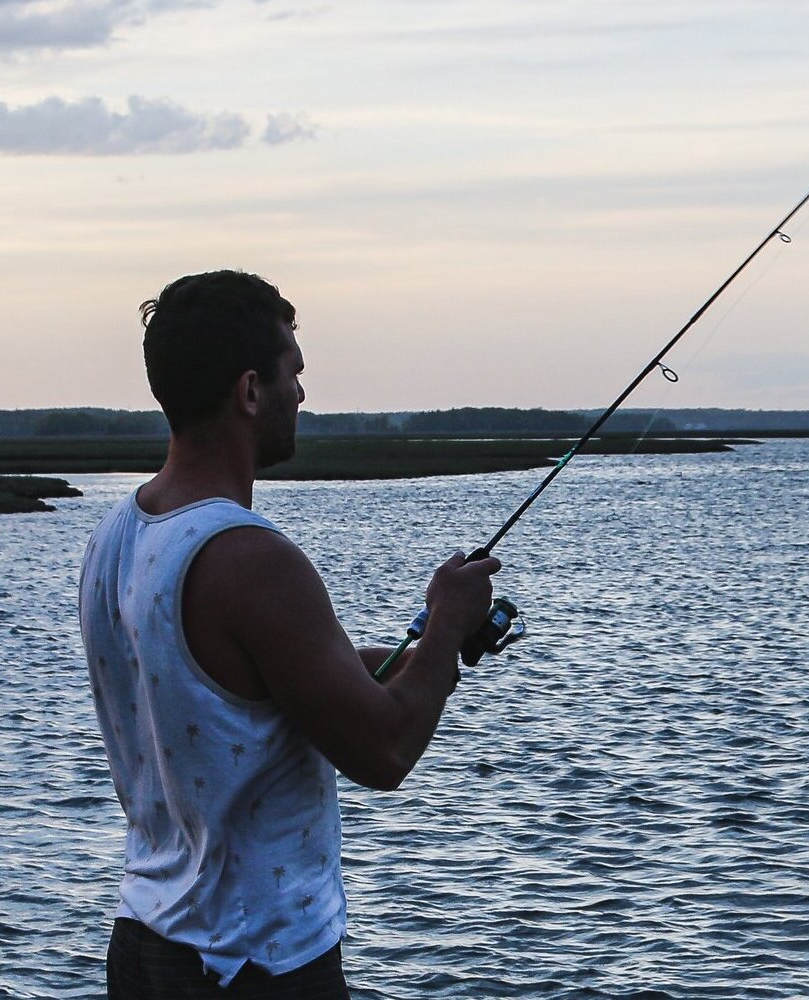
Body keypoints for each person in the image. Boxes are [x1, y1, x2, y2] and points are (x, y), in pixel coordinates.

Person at [78, 270, 500, 997]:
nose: (302, 395)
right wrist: (450, 622)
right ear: (249, 391)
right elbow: (384, 750)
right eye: (293, 374)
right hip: (254, 963)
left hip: (146, 943)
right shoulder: (252, 559)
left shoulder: (116, 535)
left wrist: (431, 649)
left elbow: (239, 687)